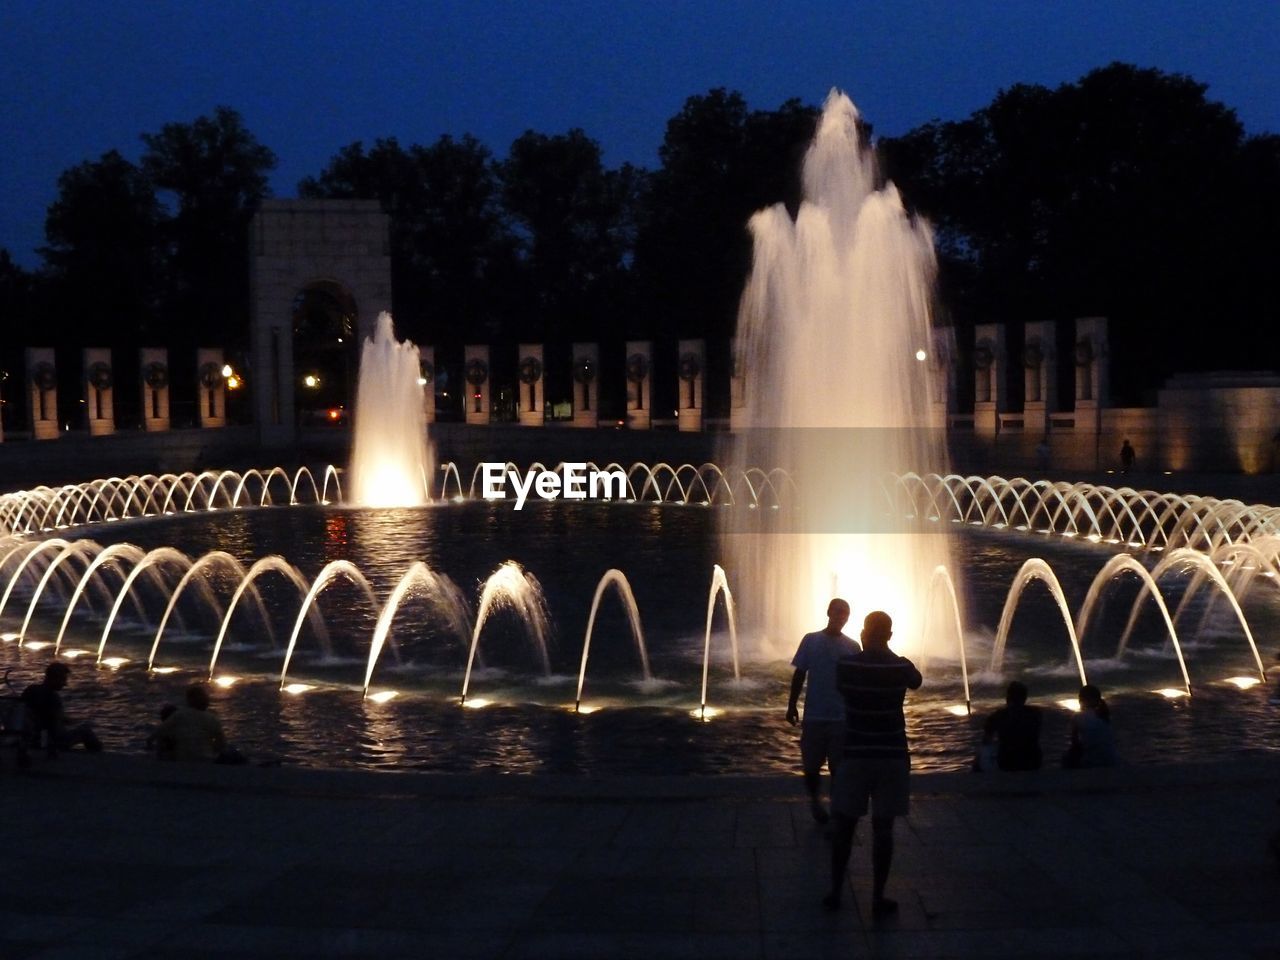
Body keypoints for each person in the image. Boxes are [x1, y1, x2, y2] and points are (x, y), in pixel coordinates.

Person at [825, 611, 922, 918]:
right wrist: (888, 650)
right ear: (890, 636)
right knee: (883, 829)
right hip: (892, 754)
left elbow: (841, 688)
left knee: (844, 826)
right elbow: (917, 682)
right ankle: (878, 897)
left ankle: (836, 891)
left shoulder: (848, 666)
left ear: (864, 634)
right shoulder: (901, 666)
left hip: (855, 753)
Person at [786, 598, 861, 824]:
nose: (841, 617)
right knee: (811, 766)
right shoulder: (811, 640)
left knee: (839, 768)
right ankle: (815, 802)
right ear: (828, 612)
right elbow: (800, 673)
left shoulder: (853, 646)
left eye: (845, 613)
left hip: (841, 717)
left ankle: (836, 809)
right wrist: (791, 705)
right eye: (837, 612)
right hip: (814, 715)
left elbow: (856, 682)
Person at [20, 662, 102, 755]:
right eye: (63, 680)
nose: (65, 684)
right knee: (86, 731)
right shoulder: (52, 697)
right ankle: (100, 760)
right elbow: (55, 726)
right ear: (53, 679)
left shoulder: (31, 690)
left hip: (30, 738)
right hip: (50, 741)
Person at [154, 683, 239, 763]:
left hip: (182, 759)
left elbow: (159, 732)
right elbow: (222, 745)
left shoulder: (179, 715)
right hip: (206, 760)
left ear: (189, 700)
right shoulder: (212, 719)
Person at [981, 680, 1043, 771]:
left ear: (1007, 698)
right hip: (1032, 759)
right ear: (1025, 698)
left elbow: (986, 739)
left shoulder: (998, 716)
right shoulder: (1035, 714)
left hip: (1007, 760)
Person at [1063, 684, 1117, 768]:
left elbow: (1075, 743)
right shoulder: (1105, 716)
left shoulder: (1077, 717)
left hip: (1092, 761)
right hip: (1111, 760)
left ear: (1080, 700)